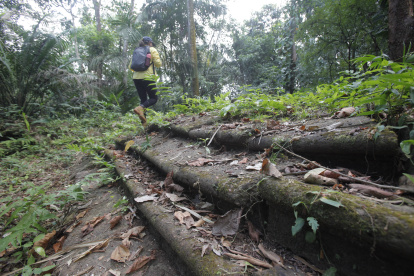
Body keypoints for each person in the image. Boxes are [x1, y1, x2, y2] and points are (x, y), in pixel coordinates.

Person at [131, 36, 162, 126]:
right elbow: (158, 64)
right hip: (148, 77)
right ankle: (140, 108)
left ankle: (144, 124)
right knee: (153, 98)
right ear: (150, 43)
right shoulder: (152, 49)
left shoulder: (136, 50)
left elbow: (131, 66)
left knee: (143, 99)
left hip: (136, 77)